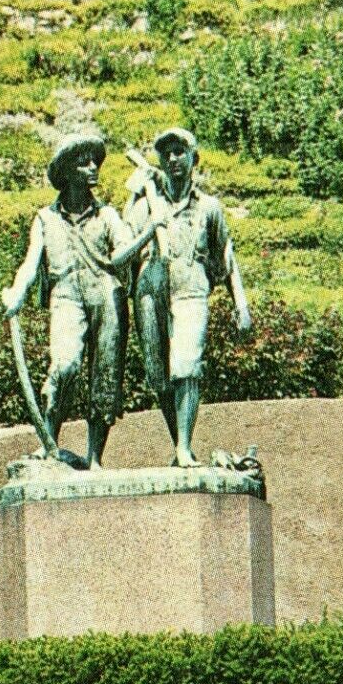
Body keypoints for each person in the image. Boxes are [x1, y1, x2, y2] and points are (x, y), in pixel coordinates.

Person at [3, 132, 154, 469]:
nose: (92, 167)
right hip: (66, 294)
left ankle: (95, 458)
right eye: (83, 162)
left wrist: (148, 231)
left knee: (105, 377)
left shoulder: (108, 216)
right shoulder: (46, 218)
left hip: (106, 295)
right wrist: (18, 291)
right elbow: (31, 262)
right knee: (64, 365)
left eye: (94, 161)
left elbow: (122, 256)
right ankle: (49, 445)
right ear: (66, 170)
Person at [125, 128, 251, 467]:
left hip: (192, 284)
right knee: (158, 374)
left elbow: (226, 254)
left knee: (186, 364)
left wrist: (240, 302)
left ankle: (183, 446)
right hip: (151, 286)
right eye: (166, 153)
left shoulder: (209, 207)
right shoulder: (149, 200)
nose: (173, 158)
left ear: (194, 158)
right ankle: (180, 443)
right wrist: (135, 195)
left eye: (180, 151)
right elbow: (124, 240)